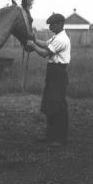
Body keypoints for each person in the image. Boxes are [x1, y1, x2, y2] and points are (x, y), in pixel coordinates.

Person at [27, 13, 71, 147]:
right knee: (50, 104)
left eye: (52, 25)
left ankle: (60, 138)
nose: (50, 27)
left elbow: (46, 53)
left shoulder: (62, 39)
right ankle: (51, 136)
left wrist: (33, 46)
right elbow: (46, 44)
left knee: (58, 105)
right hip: (53, 72)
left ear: (60, 24)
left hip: (58, 73)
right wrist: (34, 40)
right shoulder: (56, 36)